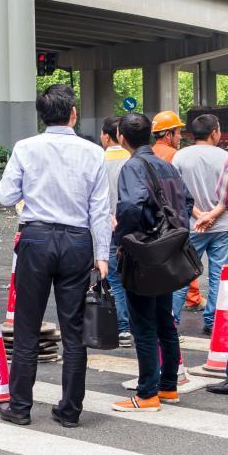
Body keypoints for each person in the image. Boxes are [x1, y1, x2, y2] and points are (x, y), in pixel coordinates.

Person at [0, 84, 110, 428]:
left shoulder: (26, 148)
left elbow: (5, 195)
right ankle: (69, 410)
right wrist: (102, 255)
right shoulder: (92, 152)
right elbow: (101, 209)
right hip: (77, 241)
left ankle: (19, 407)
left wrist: (30, 193)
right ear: (73, 113)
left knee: (27, 326)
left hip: (36, 238)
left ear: (41, 115)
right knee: (73, 329)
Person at [113, 113, 193, 412]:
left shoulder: (132, 166)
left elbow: (132, 205)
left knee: (143, 324)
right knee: (164, 321)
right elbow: (186, 201)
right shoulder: (167, 165)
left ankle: (147, 393)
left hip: (145, 252)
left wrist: (123, 238)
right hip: (169, 251)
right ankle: (168, 387)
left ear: (122, 136)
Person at [170, 114, 228, 335]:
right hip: (221, 226)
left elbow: (177, 192)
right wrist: (211, 216)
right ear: (214, 132)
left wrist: (197, 214)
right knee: (218, 275)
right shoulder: (227, 157)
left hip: (191, 225)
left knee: (182, 274)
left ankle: (172, 320)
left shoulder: (180, 157)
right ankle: (213, 321)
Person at [151, 110, 203, 311]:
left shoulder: (148, 154)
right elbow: (183, 193)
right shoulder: (175, 155)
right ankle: (192, 298)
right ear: (167, 134)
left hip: (156, 221)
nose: (180, 136)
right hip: (176, 219)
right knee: (186, 259)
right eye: (178, 132)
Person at [101, 116, 132, 348]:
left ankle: (123, 328)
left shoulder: (98, 159)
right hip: (132, 225)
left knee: (114, 277)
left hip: (106, 225)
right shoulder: (134, 158)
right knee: (134, 275)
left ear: (106, 135)